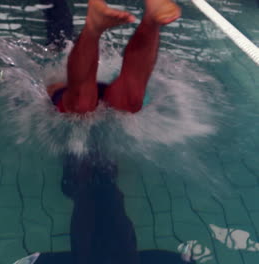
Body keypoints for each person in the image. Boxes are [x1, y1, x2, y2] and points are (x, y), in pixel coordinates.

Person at [19, 1, 192, 264]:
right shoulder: (83, 179)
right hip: (76, 95)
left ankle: (143, 24)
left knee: (106, 104)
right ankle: (133, 25)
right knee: (110, 104)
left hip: (74, 93)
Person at [47, 0, 181, 114]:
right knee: (130, 101)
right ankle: (151, 22)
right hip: (90, 94)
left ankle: (93, 29)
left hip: (71, 93)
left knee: (81, 106)